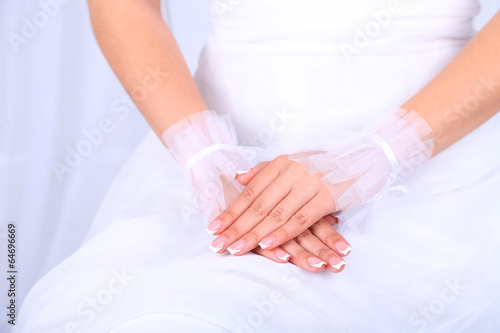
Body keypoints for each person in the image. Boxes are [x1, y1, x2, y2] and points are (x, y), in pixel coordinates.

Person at [15, 0, 500, 332]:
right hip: (215, 173)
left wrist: (378, 154)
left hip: (439, 170)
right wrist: (208, 159)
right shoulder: (213, 171)